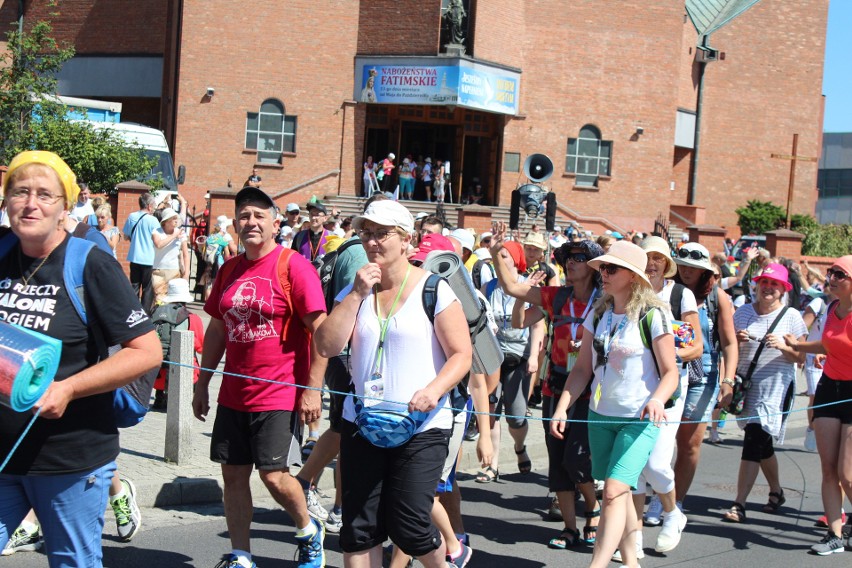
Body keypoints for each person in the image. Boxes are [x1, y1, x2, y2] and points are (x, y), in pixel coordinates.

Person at [0, 150, 161, 566]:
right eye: (19, 192)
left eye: (44, 195)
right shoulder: (0, 252)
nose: (30, 203)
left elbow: (146, 352)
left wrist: (68, 388)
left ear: (64, 207)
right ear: (6, 201)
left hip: (69, 456)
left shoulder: (90, 264)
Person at [313, 200, 471, 568]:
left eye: (382, 233)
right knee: (358, 528)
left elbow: (461, 355)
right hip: (362, 422)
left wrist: (433, 390)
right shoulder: (355, 291)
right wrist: (354, 295)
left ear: (406, 240)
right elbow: (325, 345)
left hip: (422, 426)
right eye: (366, 233)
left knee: (411, 526)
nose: (372, 242)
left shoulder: (434, 290)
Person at [192, 185, 328, 568]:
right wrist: (203, 382)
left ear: (274, 222)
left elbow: (321, 331)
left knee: (274, 477)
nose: (250, 222)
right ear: (236, 223)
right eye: (244, 216)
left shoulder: (293, 266)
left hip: (281, 393)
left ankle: (307, 529)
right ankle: (241, 554)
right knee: (233, 477)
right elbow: (217, 328)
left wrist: (312, 391)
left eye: (258, 215)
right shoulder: (229, 270)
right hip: (233, 393)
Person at [546, 238, 678, 568]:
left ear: (633, 275)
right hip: (599, 416)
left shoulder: (653, 315)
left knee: (615, 492)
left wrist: (658, 400)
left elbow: (671, 373)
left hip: (638, 419)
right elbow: (581, 370)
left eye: (611, 268)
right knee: (618, 495)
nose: (603, 273)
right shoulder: (600, 312)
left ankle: (598, 564)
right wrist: (563, 406)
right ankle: (631, 561)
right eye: (602, 267)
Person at [494, 234, 604, 549]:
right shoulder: (556, 296)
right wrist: (495, 252)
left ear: (594, 266)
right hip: (554, 386)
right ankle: (570, 528)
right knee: (557, 461)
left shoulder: (604, 299)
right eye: (568, 257)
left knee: (578, 460)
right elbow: (513, 289)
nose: (570, 261)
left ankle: (592, 506)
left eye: (579, 257)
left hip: (590, 391)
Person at [624, 236, 704, 559]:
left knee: (656, 460)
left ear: (666, 263)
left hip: (670, 386)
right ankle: (635, 536)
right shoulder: (630, 293)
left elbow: (697, 346)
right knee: (636, 464)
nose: (653, 263)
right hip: (636, 385)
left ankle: (672, 513)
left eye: (658, 257)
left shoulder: (680, 295)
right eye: (648, 257)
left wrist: (668, 354)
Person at [721, 263, 807, 524]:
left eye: (774, 284)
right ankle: (776, 491)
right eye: (764, 283)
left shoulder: (792, 316)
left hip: (775, 388)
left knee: (754, 438)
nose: (768, 288)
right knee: (762, 441)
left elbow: (800, 357)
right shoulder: (744, 311)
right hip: (745, 386)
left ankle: (739, 503)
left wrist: (783, 346)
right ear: (757, 286)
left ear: (783, 289)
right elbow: (728, 345)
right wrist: (738, 338)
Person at [784, 255, 852, 554]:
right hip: (828, 389)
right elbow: (827, 345)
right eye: (831, 272)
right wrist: (797, 345)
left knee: (848, 473)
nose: (833, 278)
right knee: (827, 468)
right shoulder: (833, 307)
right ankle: (834, 535)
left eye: (840, 274)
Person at [672, 242, 738, 511]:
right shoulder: (667, 291)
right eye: (683, 265)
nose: (687, 271)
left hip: (703, 374)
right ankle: (659, 492)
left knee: (688, 443)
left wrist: (728, 380)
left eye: (694, 267)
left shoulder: (716, 297)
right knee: (659, 439)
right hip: (668, 370)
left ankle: (673, 502)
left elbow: (729, 343)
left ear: (705, 271)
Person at [474, 239, 544, 484]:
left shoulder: (527, 285)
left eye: (503, 257)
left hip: (519, 355)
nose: (498, 261)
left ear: (515, 261)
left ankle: (519, 446)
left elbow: (537, 324)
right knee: (490, 409)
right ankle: (491, 465)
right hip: (493, 355)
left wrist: (534, 355)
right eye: (496, 257)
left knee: (515, 416)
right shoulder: (488, 287)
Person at [151, 278, 205, 410]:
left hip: (155, 376)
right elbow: (201, 348)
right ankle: (180, 398)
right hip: (183, 376)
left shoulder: (155, 313)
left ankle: (160, 397)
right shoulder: (192, 318)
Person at [123, 192, 161, 313]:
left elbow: (126, 236)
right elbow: (157, 240)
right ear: (149, 206)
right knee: (147, 289)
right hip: (149, 259)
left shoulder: (131, 216)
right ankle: (144, 314)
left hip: (134, 257)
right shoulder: (153, 220)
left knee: (134, 286)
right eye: (154, 205)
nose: (154, 207)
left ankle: (132, 312)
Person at [151, 207, 190, 306]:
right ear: (165, 221)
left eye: (176, 218)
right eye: (173, 218)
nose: (176, 220)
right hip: (158, 271)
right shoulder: (156, 232)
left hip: (174, 271)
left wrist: (186, 272)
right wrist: (174, 236)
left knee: (173, 300)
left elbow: (186, 254)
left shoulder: (181, 233)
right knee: (159, 300)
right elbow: (159, 245)